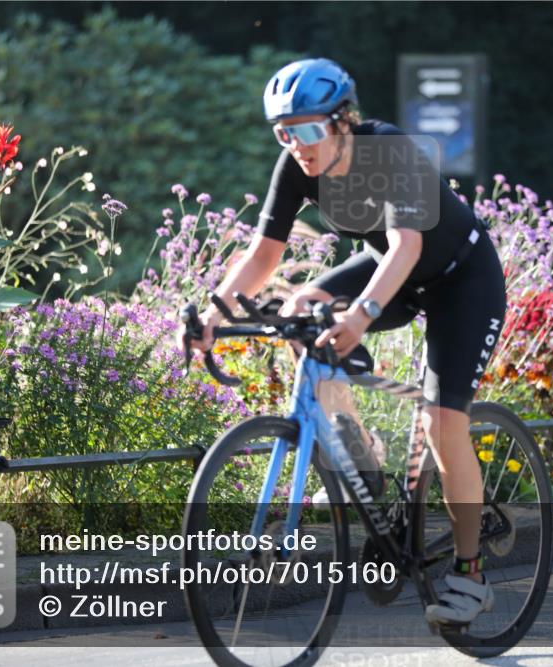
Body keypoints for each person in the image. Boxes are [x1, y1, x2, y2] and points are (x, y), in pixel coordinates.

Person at [180, 58, 506, 625]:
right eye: (284, 132)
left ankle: (471, 576)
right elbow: (263, 256)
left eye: (307, 129)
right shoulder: (296, 165)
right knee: (298, 310)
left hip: (462, 279)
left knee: (441, 422)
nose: (296, 144)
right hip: (391, 271)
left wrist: (361, 315)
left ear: (341, 121)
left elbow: (407, 244)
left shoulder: (388, 149)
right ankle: (363, 454)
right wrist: (213, 314)